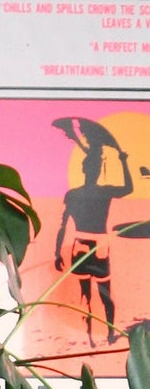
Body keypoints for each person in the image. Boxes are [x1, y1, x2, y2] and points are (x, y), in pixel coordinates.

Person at [53, 116, 134, 342]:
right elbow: (128, 187)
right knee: (105, 293)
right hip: (99, 246)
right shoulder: (104, 191)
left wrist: (57, 253)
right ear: (97, 170)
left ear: (83, 169)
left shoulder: (73, 194)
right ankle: (108, 333)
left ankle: (89, 334)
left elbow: (62, 226)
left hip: (79, 245)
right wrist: (123, 161)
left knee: (85, 293)